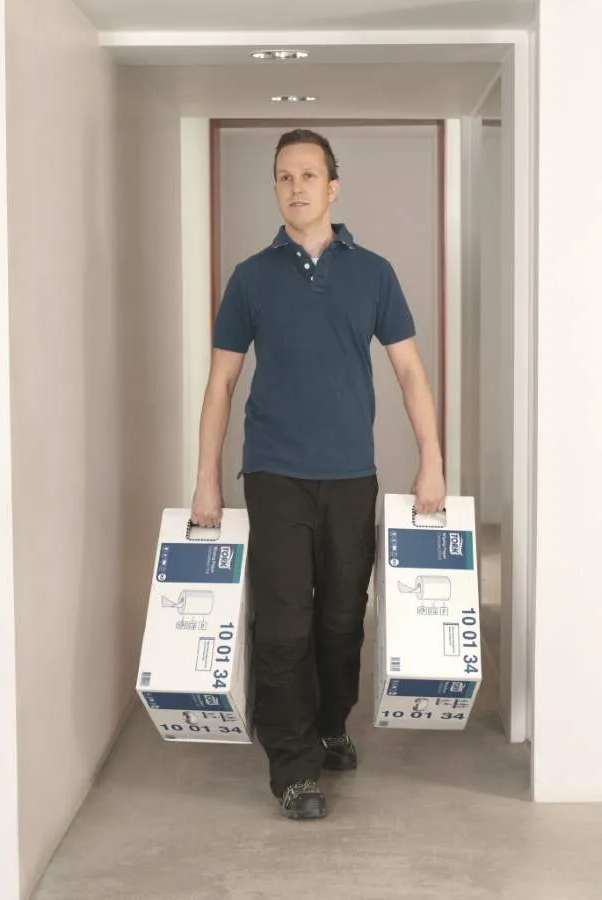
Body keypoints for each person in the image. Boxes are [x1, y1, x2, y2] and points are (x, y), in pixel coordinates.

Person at [191, 128, 446, 820]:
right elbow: (221, 384)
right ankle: (293, 766)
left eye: (308, 175)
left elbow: (409, 371)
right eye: (284, 176)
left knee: (340, 619)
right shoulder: (250, 278)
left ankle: (331, 723)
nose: (295, 186)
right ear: (275, 189)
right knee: (282, 623)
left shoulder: (375, 273)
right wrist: (207, 477)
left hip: (350, 475)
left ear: (332, 186)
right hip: (274, 473)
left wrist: (432, 462)